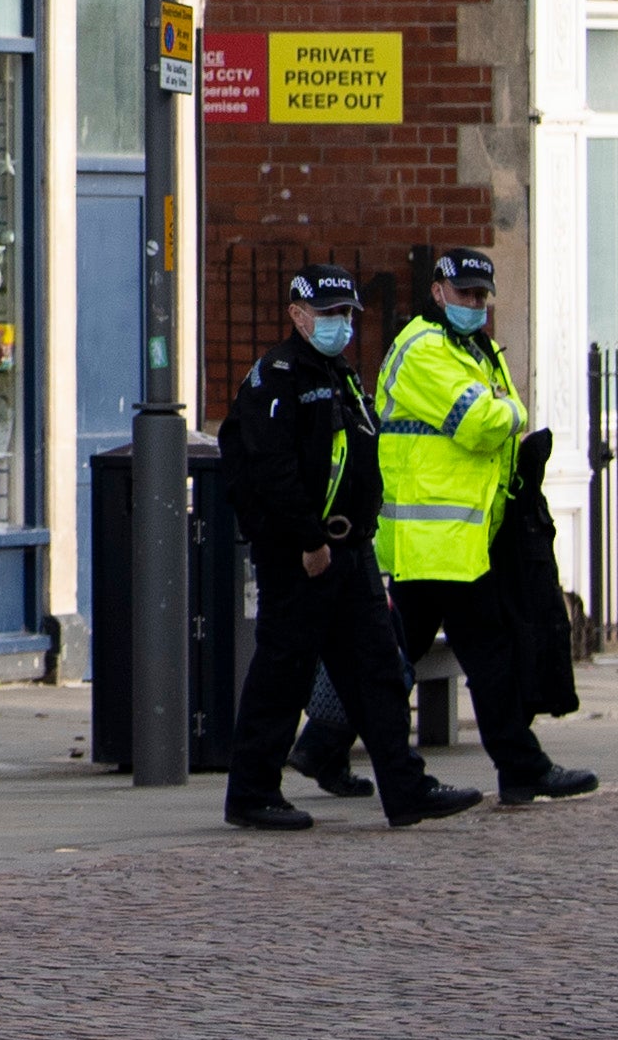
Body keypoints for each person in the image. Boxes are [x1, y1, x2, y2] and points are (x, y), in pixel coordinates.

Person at [327, 249, 595, 808]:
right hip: (433, 537)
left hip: (458, 537)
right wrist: (510, 413)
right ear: (439, 292)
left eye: (481, 297)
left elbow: (501, 407)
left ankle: (324, 744)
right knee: (480, 654)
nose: (475, 305)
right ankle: (521, 767)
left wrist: (503, 409)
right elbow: (483, 422)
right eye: (466, 294)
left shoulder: (471, 349)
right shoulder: (425, 349)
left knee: (400, 653)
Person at [216, 265, 481, 832]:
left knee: (379, 673)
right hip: (303, 555)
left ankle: (406, 790)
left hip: (352, 552)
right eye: (330, 313)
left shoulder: (341, 375)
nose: (341, 324)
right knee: (283, 672)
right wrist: (308, 540)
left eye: (347, 314)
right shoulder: (278, 376)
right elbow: (273, 470)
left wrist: (361, 544)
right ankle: (252, 793)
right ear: (297, 314)